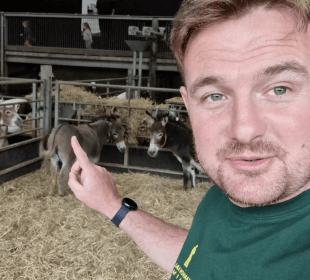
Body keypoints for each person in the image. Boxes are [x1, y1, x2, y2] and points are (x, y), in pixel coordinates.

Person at [68, 0, 310, 278]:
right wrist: (112, 205)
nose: (244, 130)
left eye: (279, 89)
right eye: (215, 96)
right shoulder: (220, 196)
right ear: (188, 104)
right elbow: (202, 259)